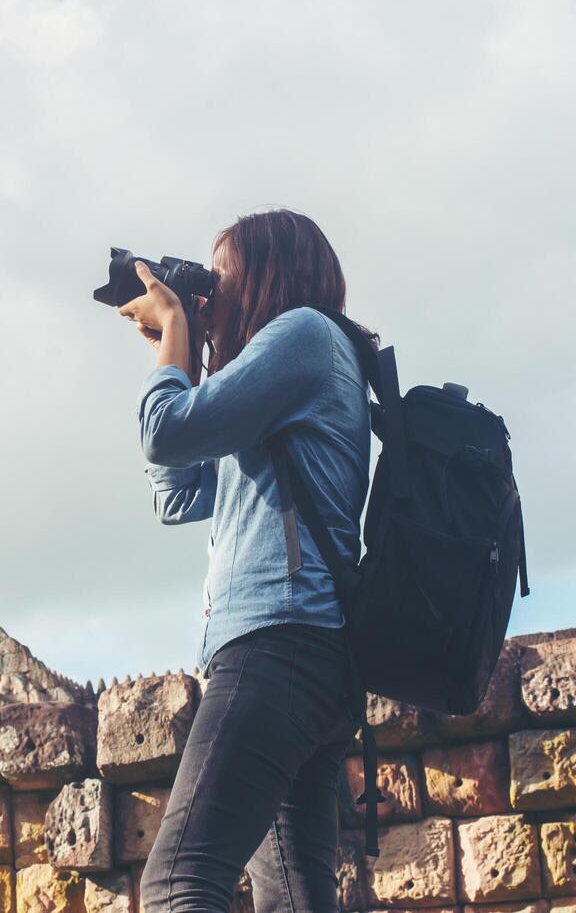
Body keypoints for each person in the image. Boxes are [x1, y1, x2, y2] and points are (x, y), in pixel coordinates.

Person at [121, 209, 375, 912]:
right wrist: (181, 350)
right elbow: (177, 493)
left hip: (275, 645)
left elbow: (164, 432)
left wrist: (177, 330)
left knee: (178, 882)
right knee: (293, 899)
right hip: (309, 659)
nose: (215, 294)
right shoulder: (304, 361)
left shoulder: (302, 334)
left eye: (223, 275)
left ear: (267, 274)